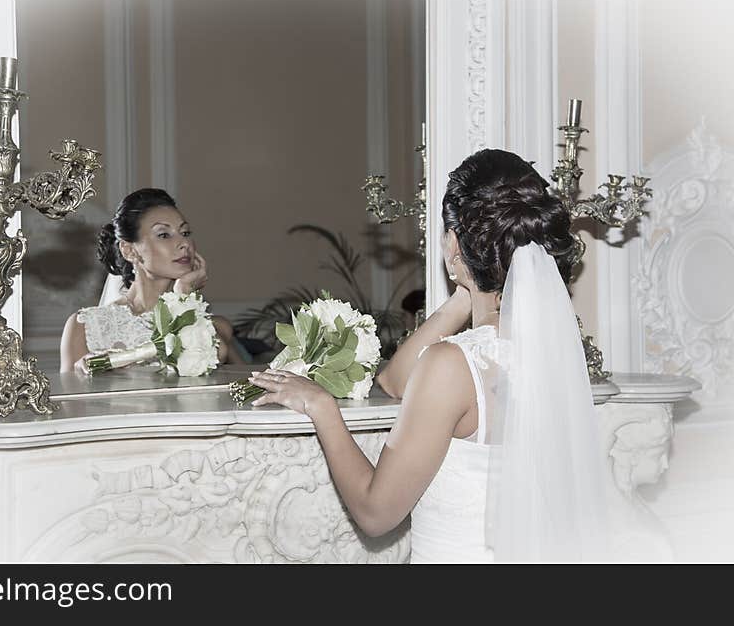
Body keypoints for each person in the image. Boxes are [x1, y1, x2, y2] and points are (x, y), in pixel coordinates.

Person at [249, 149, 611, 562]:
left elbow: (374, 513)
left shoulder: (451, 364)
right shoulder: (554, 353)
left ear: (454, 242)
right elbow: (394, 382)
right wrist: (466, 294)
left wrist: (321, 406)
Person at [59, 188, 246, 373]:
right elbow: (70, 401)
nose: (184, 244)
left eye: (186, 233)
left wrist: (184, 294)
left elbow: (219, 356)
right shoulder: (84, 326)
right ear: (129, 251)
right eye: (164, 235)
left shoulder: (212, 326)